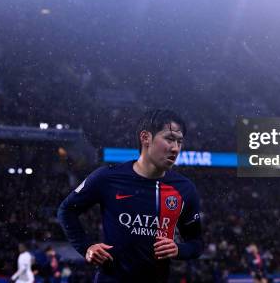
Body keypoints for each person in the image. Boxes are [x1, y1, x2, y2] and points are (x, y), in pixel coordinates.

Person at [58, 109, 203, 282]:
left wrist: (179, 249)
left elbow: (196, 243)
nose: (175, 148)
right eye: (169, 139)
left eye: (179, 142)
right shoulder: (107, 177)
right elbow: (66, 211)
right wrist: (86, 247)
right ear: (145, 138)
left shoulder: (184, 189)